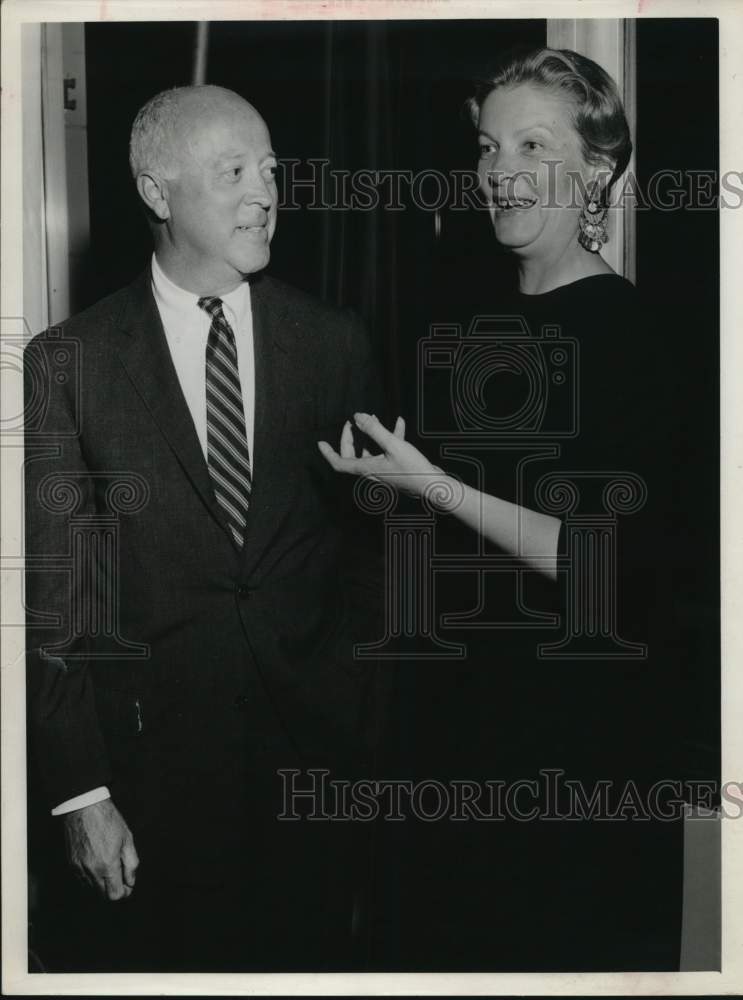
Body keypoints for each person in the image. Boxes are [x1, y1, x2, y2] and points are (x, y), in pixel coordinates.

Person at [320, 47, 701, 970]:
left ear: (597, 170)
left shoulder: (647, 342)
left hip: (580, 761)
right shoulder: (456, 322)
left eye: (533, 144)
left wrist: (435, 489)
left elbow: (611, 570)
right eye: (489, 147)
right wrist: (388, 496)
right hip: (444, 745)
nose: (499, 172)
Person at [24, 84, 384, 972]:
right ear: (157, 191)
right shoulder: (71, 363)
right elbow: (61, 591)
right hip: (155, 781)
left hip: (319, 769)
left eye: (269, 170)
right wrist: (80, 792)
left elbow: (370, 559)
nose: (265, 192)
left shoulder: (333, 343)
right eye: (233, 172)